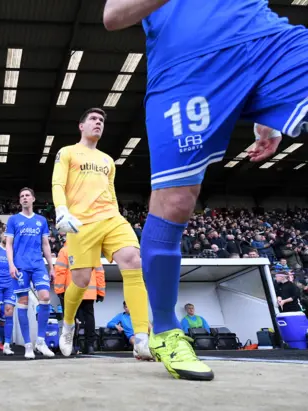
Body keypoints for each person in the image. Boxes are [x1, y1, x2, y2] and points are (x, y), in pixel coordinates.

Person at [103, 0, 308, 381]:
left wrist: (269, 113)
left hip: (267, 40)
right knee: (177, 202)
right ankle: (164, 329)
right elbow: (114, 15)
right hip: (188, 63)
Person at [52, 108, 152, 361]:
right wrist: (61, 210)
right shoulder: (67, 152)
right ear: (81, 126)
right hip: (81, 224)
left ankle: (141, 338)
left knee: (133, 260)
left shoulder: (108, 160)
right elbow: (58, 183)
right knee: (81, 281)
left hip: (111, 218)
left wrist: (117, 216)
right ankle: (68, 324)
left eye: (101, 121)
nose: (98, 123)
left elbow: (111, 192)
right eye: (93, 120)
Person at [5, 187, 55, 359]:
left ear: (33, 199)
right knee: (23, 302)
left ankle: (40, 341)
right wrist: (11, 264)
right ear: (20, 201)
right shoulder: (13, 220)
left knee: (45, 297)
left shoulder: (41, 220)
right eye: (22, 196)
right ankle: (28, 345)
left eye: (27, 195)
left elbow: (46, 245)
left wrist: (51, 266)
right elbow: (9, 244)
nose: (24, 198)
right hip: (20, 266)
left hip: (38, 265)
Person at [53, 242, 105, 355]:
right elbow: (99, 271)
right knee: (89, 318)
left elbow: (60, 271)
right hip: (89, 291)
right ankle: (90, 346)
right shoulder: (91, 250)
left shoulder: (65, 250)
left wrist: (59, 290)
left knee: (71, 318)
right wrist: (100, 291)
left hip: (72, 291)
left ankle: (71, 346)